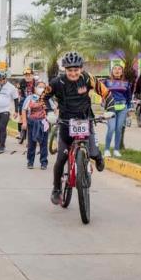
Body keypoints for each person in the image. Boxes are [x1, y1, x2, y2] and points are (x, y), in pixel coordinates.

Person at [43, 51, 114, 205]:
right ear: (64, 70)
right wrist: (49, 112)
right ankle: (56, 189)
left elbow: (106, 93)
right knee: (61, 158)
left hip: (85, 119)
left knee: (93, 151)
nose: (73, 73)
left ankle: (97, 156)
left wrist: (110, 109)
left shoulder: (88, 78)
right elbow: (44, 97)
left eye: (76, 70)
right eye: (70, 70)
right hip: (66, 122)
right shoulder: (56, 82)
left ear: (81, 69)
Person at [102, 64, 133, 158]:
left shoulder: (126, 83)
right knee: (111, 128)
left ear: (122, 72)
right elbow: (102, 93)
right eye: (115, 68)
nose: (117, 70)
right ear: (112, 71)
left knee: (119, 129)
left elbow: (129, 97)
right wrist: (103, 103)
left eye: (119, 69)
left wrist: (128, 108)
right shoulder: (106, 82)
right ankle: (107, 149)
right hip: (110, 107)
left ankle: (116, 150)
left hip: (122, 108)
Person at [21, 80, 49, 169]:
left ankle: (44, 163)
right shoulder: (30, 98)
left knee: (43, 144)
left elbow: (54, 109)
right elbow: (24, 110)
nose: (41, 89)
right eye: (39, 87)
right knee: (31, 143)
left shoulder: (47, 98)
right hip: (32, 123)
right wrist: (24, 122)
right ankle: (30, 162)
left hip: (44, 123)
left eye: (43, 87)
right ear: (35, 88)